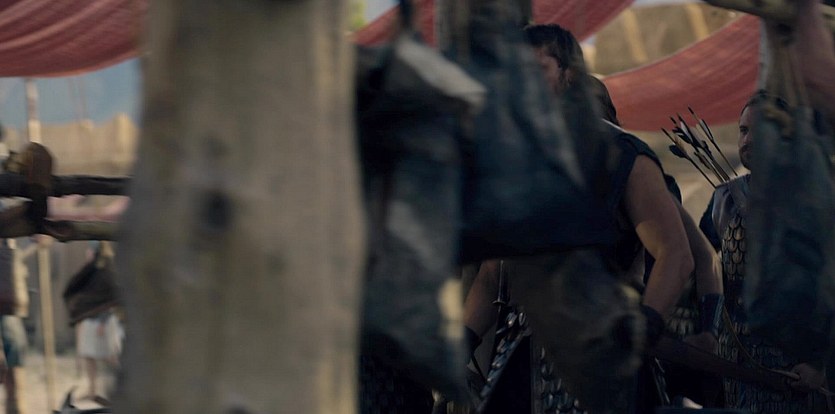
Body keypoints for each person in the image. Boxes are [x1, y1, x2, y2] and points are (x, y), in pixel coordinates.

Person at [463, 24, 722, 413]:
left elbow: (676, 254)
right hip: (522, 360)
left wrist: (644, 325)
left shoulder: (623, 155)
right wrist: (460, 344)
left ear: (569, 75)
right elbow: (491, 276)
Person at [699, 92, 828, 413]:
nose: (749, 140)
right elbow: (700, 267)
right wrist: (706, 330)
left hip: (796, 367)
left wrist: (820, 364)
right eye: (744, 130)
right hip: (735, 362)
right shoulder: (724, 199)